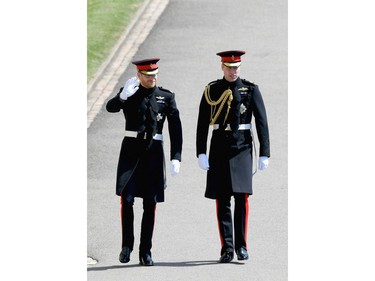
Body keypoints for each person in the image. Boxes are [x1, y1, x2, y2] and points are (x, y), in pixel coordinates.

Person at [106, 58, 183, 266]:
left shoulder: (166, 97)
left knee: (150, 203)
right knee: (127, 199)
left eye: (155, 75)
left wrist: (176, 156)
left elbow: (175, 129)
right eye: (148, 76)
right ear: (139, 75)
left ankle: (145, 251)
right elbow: (110, 108)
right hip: (131, 152)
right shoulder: (130, 92)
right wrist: (122, 98)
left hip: (153, 154)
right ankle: (126, 246)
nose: (152, 78)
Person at [196, 50, 270, 263]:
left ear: (240, 67)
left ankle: (241, 246)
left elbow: (261, 122)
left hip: (242, 147)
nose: (233, 71)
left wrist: (265, 152)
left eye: (236, 67)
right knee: (222, 199)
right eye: (229, 68)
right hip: (219, 146)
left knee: (242, 197)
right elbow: (202, 122)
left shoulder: (250, 89)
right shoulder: (212, 90)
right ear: (222, 67)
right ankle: (227, 248)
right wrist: (201, 151)